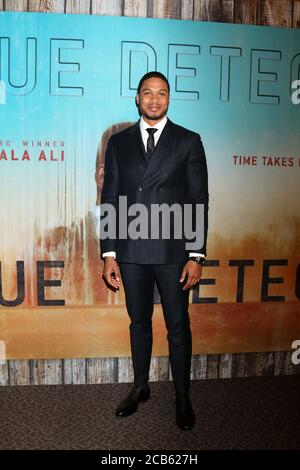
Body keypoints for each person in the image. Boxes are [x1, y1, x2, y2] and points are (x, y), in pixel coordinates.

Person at [100, 71, 209, 431]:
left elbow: (198, 198)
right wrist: (109, 253)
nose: (154, 99)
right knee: (139, 323)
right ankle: (141, 387)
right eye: (147, 92)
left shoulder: (188, 141)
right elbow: (110, 198)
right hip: (130, 252)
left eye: (161, 93)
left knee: (178, 327)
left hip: (172, 253)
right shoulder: (119, 143)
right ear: (137, 98)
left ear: (169, 99)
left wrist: (196, 255)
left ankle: (182, 396)